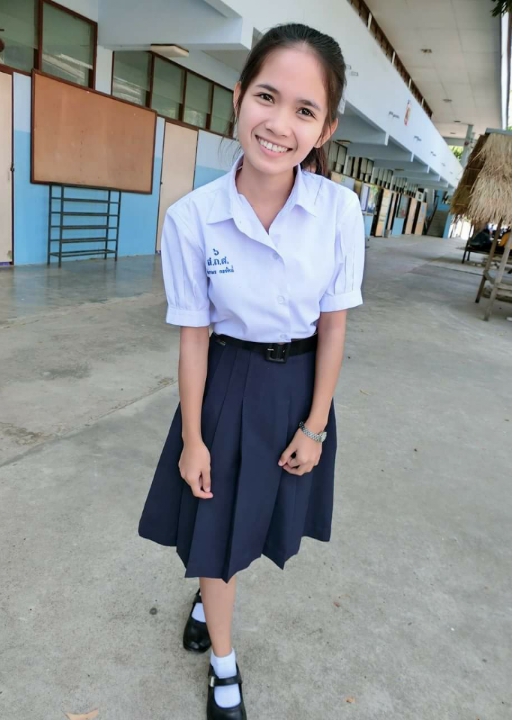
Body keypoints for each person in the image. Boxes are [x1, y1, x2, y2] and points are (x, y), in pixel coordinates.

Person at [138, 23, 365, 720]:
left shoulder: (338, 211)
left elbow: (334, 326)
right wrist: (194, 438)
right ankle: (224, 664)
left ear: (325, 129)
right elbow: (195, 338)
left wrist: (316, 426)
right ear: (238, 97)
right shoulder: (192, 218)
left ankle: (207, 605)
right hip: (224, 388)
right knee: (215, 525)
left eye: (305, 110)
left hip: (299, 388)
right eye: (267, 96)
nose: (279, 124)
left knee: (257, 523)